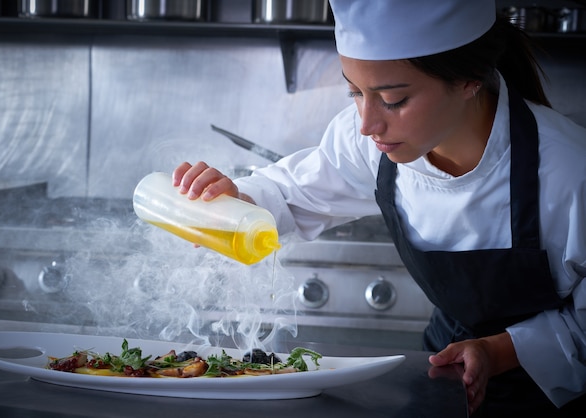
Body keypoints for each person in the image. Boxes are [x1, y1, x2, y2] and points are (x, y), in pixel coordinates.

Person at [172, 1, 586, 416]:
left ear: (468, 80)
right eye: (354, 91)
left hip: (554, 389)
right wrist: (237, 200)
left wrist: (499, 350)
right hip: (443, 369)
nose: (367, 123)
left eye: (392, 99)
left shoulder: (569, 171)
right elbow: (293, 191)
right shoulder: (366, 141)